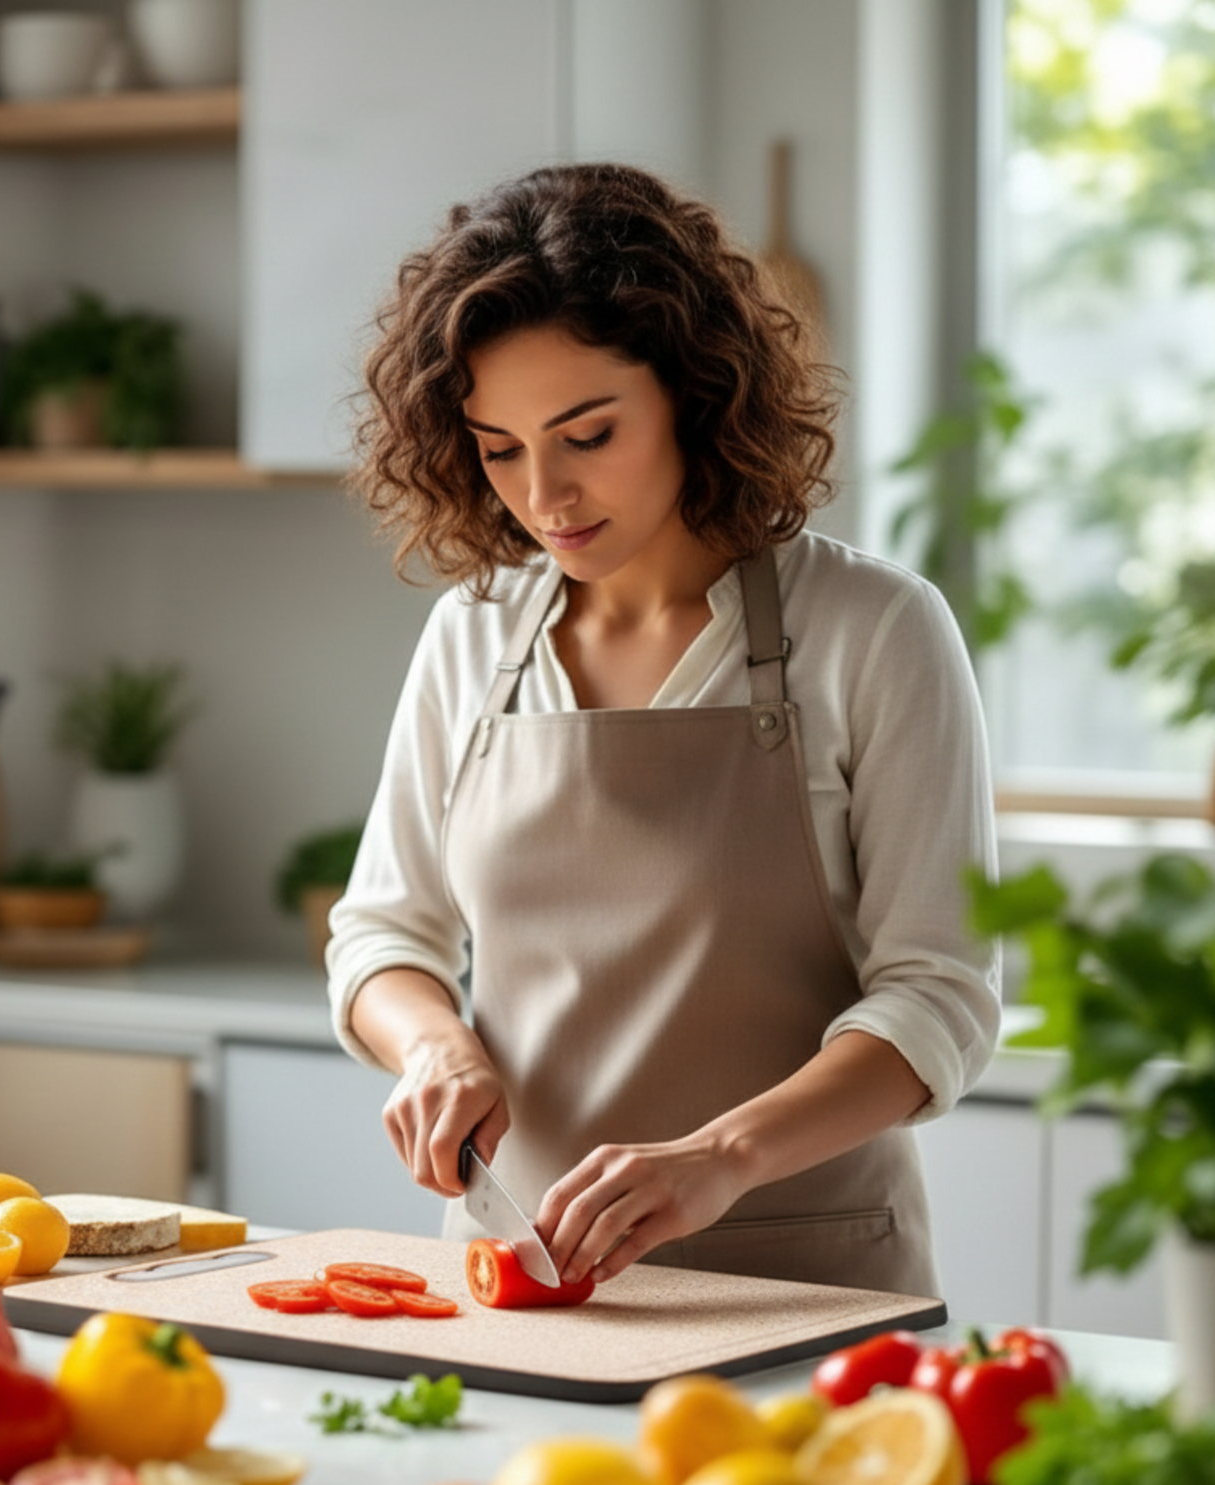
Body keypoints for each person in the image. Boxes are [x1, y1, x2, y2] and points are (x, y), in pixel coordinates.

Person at [325, 162, 1001, 1298]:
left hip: (807, 1284)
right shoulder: (472, 635)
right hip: (523, 1281)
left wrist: (718, 1157)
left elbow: (940, 993)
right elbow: (382, 936)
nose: (543, 496)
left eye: (586, 434)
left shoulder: (874, 628)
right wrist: (434, 1044)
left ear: (692, 391)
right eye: (499, 449)